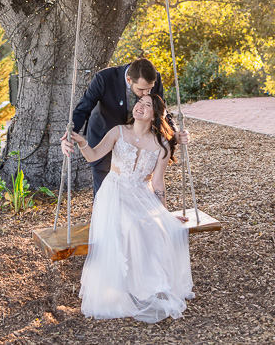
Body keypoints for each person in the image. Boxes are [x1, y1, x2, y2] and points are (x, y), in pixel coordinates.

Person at [69, 94, 194, 322]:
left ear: (155, 114)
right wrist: (81, 142)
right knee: (130, 226)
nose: (140, 107)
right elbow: (94, 155)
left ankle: (149, 286)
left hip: (141, 193)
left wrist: (164, 215)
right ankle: (122, 288)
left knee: (157, 228)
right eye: (139, 102)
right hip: (114, 191)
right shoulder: (118, 132)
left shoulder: (161, 145)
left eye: (147, 105)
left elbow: (157, 183)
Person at [62, 58, 165, 196]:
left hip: (136, 146)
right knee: (105, 195)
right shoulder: (104, 78)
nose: (147, 94)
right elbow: (82, 110)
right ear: (129, 80)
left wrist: (174, 133)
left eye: (150, 89)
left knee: (133, 194)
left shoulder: (154, 77)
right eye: (141, 89)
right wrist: (69, 135)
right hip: (103, 138)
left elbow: (160, 110)